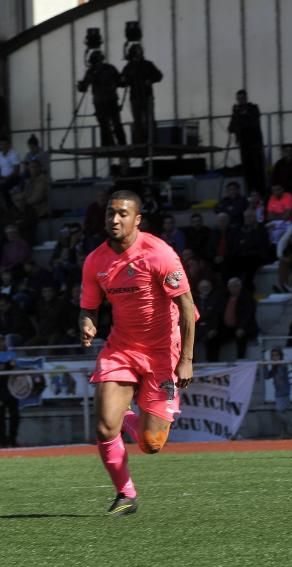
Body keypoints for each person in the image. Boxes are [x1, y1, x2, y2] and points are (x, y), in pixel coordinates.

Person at [79, 190, 196, 516]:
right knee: (104, 427)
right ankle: (125, 493)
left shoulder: (160, 254)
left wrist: (185, 360)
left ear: (137, 219)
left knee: (151, 444)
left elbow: (187, 308)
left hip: (163, 353)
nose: (114, 220)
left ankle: (136, 419)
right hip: (122, 348)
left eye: (122, 214)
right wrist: (87, 323)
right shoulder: (95, 261)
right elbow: (88, 308)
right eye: (109, 214)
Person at [77, 50, 126, 147]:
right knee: (112, 124)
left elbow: (84, 87)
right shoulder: (108, 68)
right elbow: (121, 82)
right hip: (106, 100)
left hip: (103, 101)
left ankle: (110, 144)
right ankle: (119, 143)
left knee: (108, 124)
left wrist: (81, 86)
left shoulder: (93, 71)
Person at [119, 44, 163, 144]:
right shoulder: (129, 67)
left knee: (149, 119)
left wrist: (150, 80)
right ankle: (141, 141)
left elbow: (159, 75)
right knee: (138, 120)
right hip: (136, 97)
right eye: (138, 51)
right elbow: (122, 82)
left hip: (146, 96)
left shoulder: (147, 64)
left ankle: (151, 140)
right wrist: (123, 80)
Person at [228, 90, 265, 195]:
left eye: (242, 98)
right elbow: (231, 128)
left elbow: (252, 124)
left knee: (258, 170)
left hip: (255, 144)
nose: (240, 101)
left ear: (246, 98)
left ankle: (261, 193)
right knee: (247, 171)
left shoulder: (253, 108)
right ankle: (250, 193)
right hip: (244, 146)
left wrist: (240, 118)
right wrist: (236, 115)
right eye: (238, 99)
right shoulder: (236, 111)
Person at [265, 347, 292, 438]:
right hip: (278, 392)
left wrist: (275, 364)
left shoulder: (282, 365)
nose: (275, 357)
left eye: (277, 355)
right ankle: (284, 433)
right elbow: (266, 376)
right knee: (283, 413)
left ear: (280, 356)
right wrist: (265, 366)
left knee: (279, 412)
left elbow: (282, 373)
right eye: (273, 356)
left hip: (284, 392)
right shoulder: (274, 367)